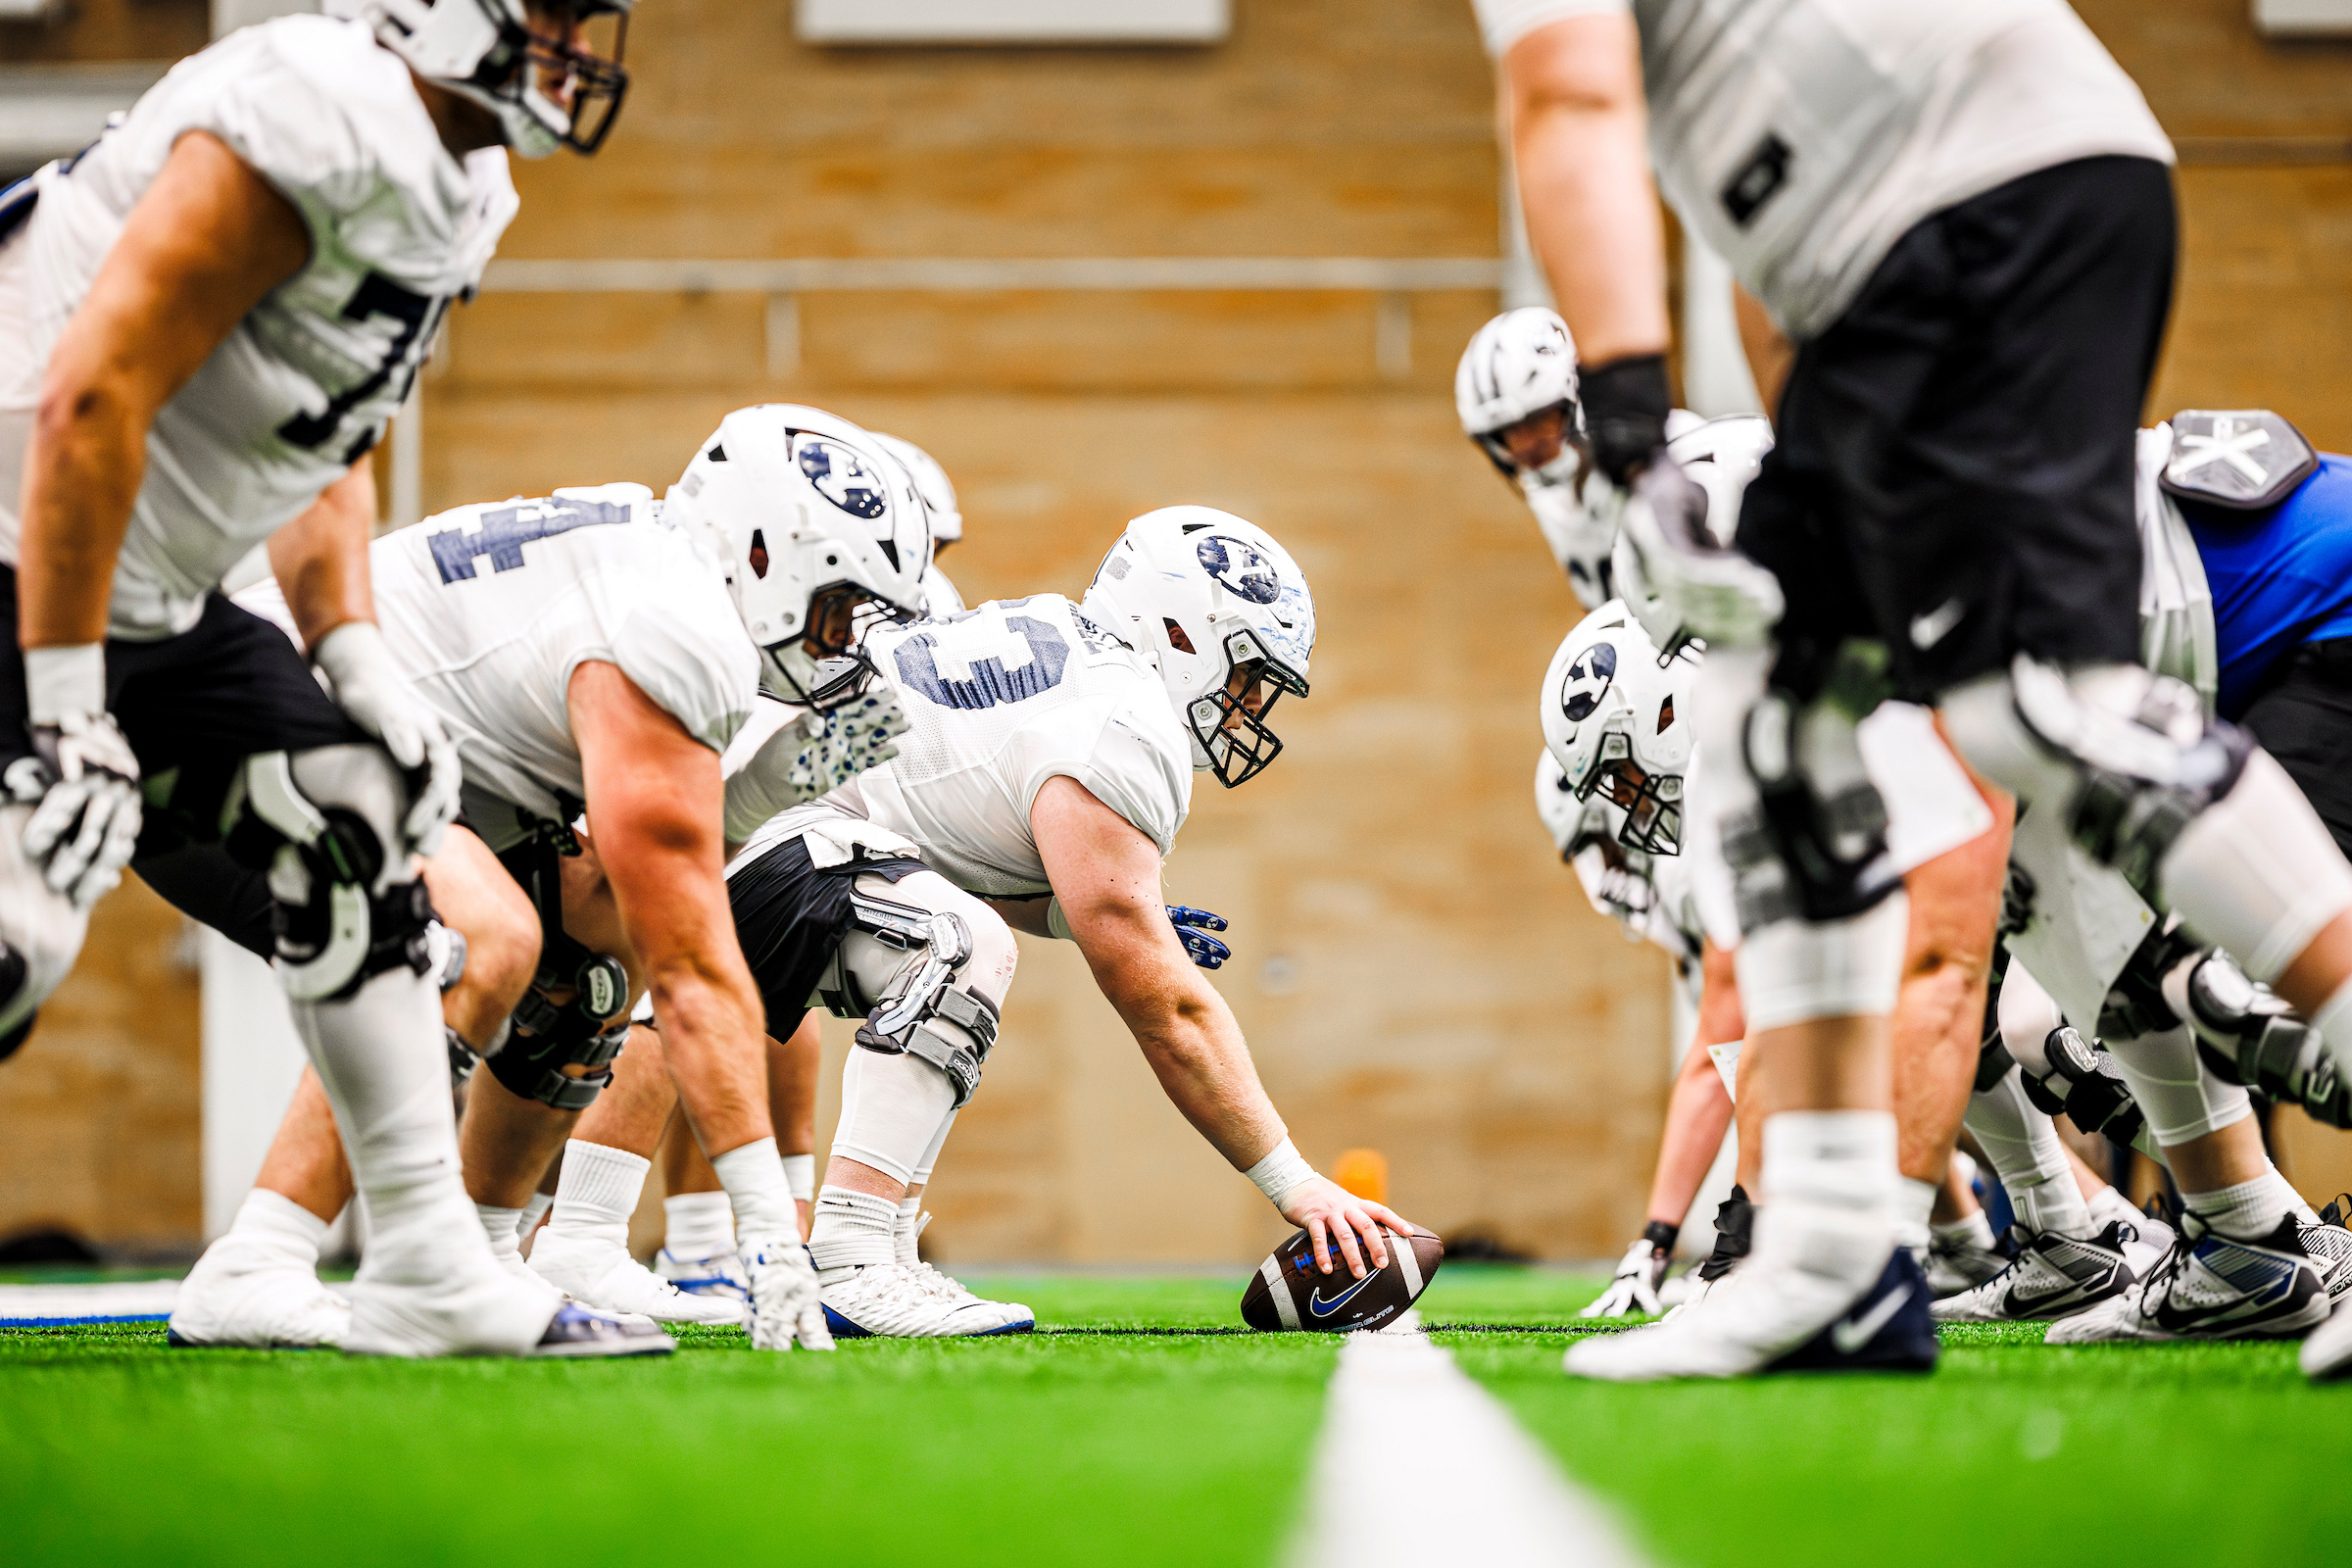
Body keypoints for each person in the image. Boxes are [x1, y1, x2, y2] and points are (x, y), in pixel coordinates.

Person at [1481, 0, 2352, 1383]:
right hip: (1906, 248)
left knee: (2030, 710)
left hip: (1985, 205)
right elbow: (1772, 290)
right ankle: (1834, 1265)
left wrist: (1631, 424)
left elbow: (1572, 104)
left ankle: (1889, 1243)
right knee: (1780, 721)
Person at [0, 0, 657, 1358]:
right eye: (547, 17)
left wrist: (351, 651)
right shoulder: (317, 105)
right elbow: (88, 397)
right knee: (23, 937)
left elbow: (324, 426)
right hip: (26, 542)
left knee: (357, 828)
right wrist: (64, 711)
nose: (574, 51)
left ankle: (418, 1262)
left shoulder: (465, 176)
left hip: (146, 583)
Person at [527, 504, 1418, 1337]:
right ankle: (846, 1255)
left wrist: (1084, 916)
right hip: (749, 808)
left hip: (743, 800)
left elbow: (933, 840)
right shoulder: (1124, 723)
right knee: (952, 945)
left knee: (928, 935)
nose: (1249, 709)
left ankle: (594, 1238)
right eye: (1249, 675)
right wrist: (1298, 1185)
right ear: (1183, 634)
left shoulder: (1072, 660)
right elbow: (1167, 1009)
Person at [168, 404, 929, 1352]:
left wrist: (755, 796)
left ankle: (484, 1250)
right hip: (225, 738)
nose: (845, 643)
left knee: (594, 956)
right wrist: (772, 1234)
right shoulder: (677, 623)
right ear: (768, 555)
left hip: (334, 754)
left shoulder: (656, 569)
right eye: (840, 608)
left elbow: (627, 881)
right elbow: (693, 956)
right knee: (482, 935)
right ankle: (262, 1259)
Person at [648, 428, 978, 1304]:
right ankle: (671, 1234)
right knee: (656, 984)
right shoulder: (736, 594)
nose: (918, 568)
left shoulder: (899, 604)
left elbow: (910, 766)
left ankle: (742, 1230)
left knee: (741, 997)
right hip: (744, 801)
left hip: (788, 808)